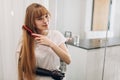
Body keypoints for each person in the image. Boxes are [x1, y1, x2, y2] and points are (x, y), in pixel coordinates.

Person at [16, 3, 71, 80]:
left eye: (46, 16)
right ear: (32, 22)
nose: (45, 21)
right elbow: (23, 66)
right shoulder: (24, 39)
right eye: (40, 19)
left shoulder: (56, 35)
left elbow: (68, 60)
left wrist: (51, 44)